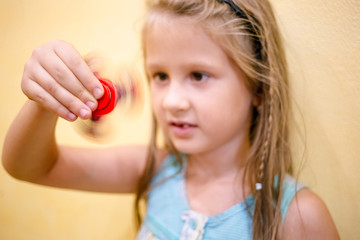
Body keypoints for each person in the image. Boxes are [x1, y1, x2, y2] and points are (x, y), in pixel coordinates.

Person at [2, 0, 340, 239]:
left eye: (198, 75)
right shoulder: (155, 171)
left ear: (259, 87)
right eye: (160, 76)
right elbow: (30, 167)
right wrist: (44, 102)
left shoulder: (298, 217)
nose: (172, 101)